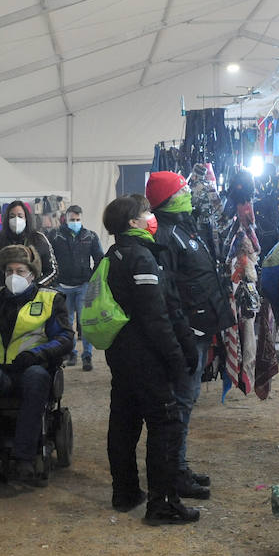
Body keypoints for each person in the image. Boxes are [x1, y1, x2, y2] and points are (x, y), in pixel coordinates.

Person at [100, 194, 199, 524]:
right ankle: (163, 504)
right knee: (165, 426)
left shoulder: (112, 255)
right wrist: (175, 357)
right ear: (133, 222)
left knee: (124, 424)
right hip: (146, 357)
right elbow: (156, 316)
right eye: (146, 213)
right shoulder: (140, 257)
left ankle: (125, 492)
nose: (151, 216)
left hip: (120, 353)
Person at [146, 170, 235, 500]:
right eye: (183, 189)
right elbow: (168, 290)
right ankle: (174, 473)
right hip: (187, 331)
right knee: (181, 401)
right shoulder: (166, 235)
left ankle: (179, 468)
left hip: (198, 329)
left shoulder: (184, 228)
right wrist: (183, 329)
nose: (189, 192)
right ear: (169, 199)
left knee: (187, 399)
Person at [0, 244, 72, 484]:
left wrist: (38, 355)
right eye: (9, 271)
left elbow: (65, 338)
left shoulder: (49, 300)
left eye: (20, 271)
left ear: (33, 273)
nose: (14, 276)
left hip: (32, 367)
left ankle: (25, 459)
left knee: (36, 378)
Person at [48, 204, 105, 371]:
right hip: (62, 286)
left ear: (82, 219)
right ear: (65, 218)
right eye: (72, 219)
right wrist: (53, 280)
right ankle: (71, 352)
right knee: (67, 322)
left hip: (84, 285)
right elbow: (48, 257)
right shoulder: (55, 235)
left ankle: (87, 355)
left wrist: (93, 278)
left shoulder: (91, 236)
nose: (75, 222)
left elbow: (99, 258)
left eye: (78, 219)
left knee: (85, 322)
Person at [0, 199, 57, 288]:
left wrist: (36, 286)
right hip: (4, 295)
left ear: (26, 218)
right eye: (12, 216)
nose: (16, 219)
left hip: (33, 295)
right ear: (7, 219)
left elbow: (52, 271)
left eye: (20, 216)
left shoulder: (39, 239)